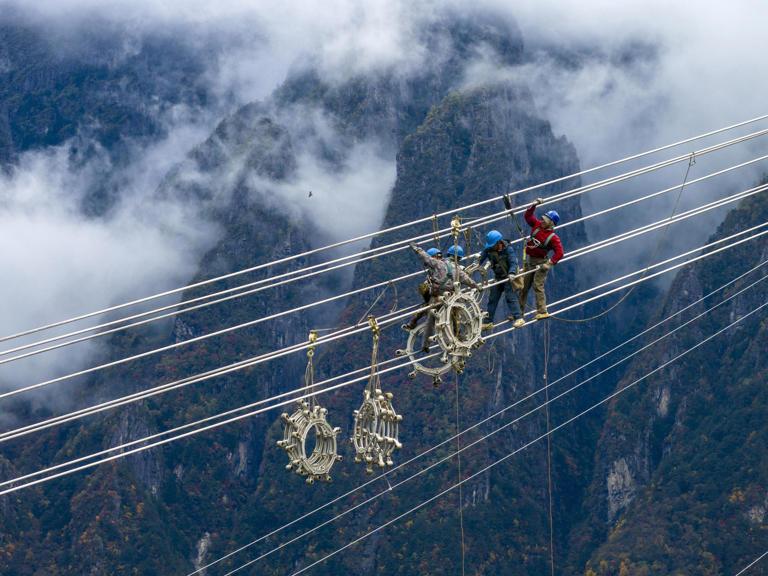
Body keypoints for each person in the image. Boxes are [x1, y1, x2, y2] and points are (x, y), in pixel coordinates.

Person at [408, 242, 480, 352]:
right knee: (449, 321)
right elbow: (467, 280)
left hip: (436, 296)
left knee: (430, 320)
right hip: (449, 299)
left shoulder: (439, 264)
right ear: (458, 258)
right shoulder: (458, 270)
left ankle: (425, 345)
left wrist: (415, 248)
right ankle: (449, 344)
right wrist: (477, 286)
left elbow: (425, 257)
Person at [520, 197, 564, 320]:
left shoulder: (553, 237)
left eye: (546, 220)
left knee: (537, 286)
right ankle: (519, 313)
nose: (542, 221)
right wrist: (534, 204)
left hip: (541, 264)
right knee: (524, 287)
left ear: (551, 223)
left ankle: (542, 311)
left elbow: (559, 253)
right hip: (530, 261)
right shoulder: (537, 225)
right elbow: (527, 217)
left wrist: (549, 264)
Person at [478, 230, 524, 330]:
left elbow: (513, 263)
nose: (491, 246)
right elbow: (479, 260)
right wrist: (473, 266)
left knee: (510, 297)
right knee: (492, 299)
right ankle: (488, 322)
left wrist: (512, 273)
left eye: (493, 244)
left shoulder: (508, 250)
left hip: (508, 277)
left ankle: (519, 318)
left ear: (499, 242)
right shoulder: (489, 250)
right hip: (498, 277)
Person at [402, 247, 442, 331]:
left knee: (426, 304)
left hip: (443, 293)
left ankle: (413, 322)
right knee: (424, 295)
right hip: (438, 293)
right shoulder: (434, 268)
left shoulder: (440, 266)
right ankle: (414, 321)